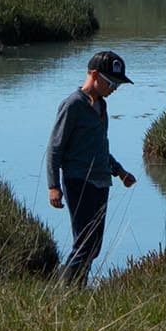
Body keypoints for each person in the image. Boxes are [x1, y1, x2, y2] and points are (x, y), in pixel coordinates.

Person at [45, 50, 138, 286]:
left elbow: (100, 148)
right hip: (79, 181)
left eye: (118, 84)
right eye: (111, 82)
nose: (114, 88)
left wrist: (119, 171)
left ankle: (78, 288)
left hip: (101, 182)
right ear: (94, 75)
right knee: (84, 243)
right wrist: (53, 186)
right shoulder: (73, 105)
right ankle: (64, 292)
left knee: (94, 247)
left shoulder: (102, 107)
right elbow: (55, 148)